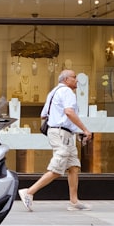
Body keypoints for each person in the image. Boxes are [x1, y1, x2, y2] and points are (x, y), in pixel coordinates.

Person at [18, 69, 93, 212]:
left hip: (60, 132)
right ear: (66, 80)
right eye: (74, 77)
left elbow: (43, 115)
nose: (76, 80)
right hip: (61, 134)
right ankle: (29, 192)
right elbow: (69, 112)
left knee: (73, 167)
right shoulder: (67, 92)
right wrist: (84, 129)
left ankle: (74, 201)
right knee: (57, 168)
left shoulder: (53, 92)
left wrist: (71, 129)